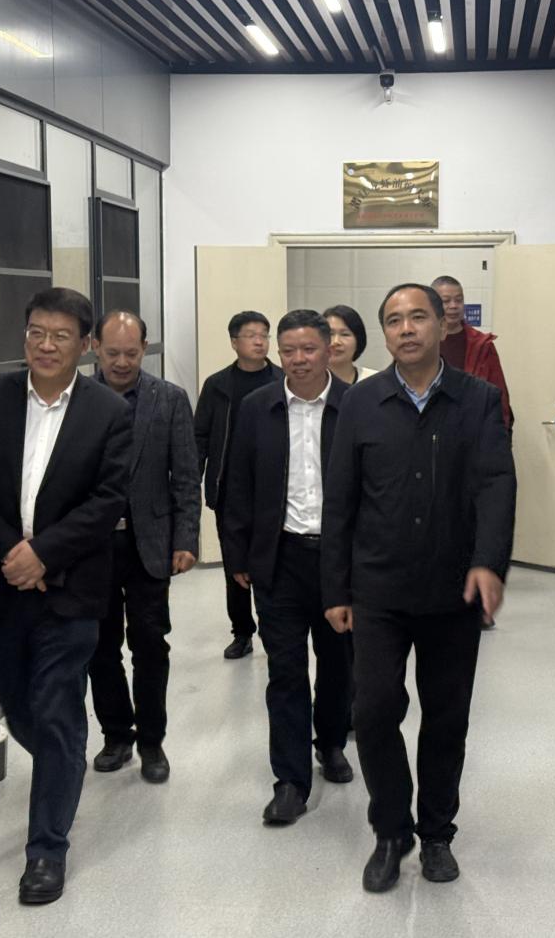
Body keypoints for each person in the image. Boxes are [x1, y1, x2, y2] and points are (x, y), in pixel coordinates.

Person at [322, 283, 516, 893]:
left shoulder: (478, 400)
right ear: (384, 333)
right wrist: (335, 589)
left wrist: (489, 562)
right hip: (378, 588)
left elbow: (496, 483)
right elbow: (340, 500)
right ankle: (390, 831)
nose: (405, 329)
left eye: (417, 317)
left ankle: (435, 834)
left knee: (446, 718)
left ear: (440, 325)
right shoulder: (360, 402)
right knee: (375, 710)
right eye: (393, 320)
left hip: (453, 591)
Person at [0, 287, 131, 906]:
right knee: (18, 705)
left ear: (86, 345)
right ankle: (68, 757)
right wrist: (11, 553)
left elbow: (108, 499)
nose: (46, 346)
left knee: (53, 709)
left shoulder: (108, 411)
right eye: (36, 333)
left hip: (70, 589)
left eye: (60, 336)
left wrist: (45, 553)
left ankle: (46, 850)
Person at [221, 309, 354, 824]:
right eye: (289, 350)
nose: (298, 359)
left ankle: (331, 742)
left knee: (339, 664)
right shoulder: (257, 407)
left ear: (328, 350)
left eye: (309, 349)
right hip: (279, 558)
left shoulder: (354, 405)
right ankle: (290, 780)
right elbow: (236, 483)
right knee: (286, 671)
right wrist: (238, 555)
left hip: (339, 562)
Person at [88, 310, 200, 784]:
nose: (121, 362)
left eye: (131, 353)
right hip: (91, 547)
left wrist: (186, 538)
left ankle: (153, 741)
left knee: (150, 645)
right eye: (112, 353)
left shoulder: (169, 399)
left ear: (145, 349)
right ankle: (117, 735)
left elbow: (186, 475)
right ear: (95, 347)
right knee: (99, 647)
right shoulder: (78, 398)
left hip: (149, 543)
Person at [193, 311, 282, 660]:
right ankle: (242, 631)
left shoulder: (282, 379)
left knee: (273, 565)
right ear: (234, 342)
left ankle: (275, 630)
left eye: (264, 335)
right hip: (230, 489)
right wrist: (194, 482)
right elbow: (200, 436)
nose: (259, 341)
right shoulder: (217, 385)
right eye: (251, 335)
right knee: (235, 565)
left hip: (273, 491)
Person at [432, 276, 514, 433]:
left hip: (474, 432)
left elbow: (499, 397)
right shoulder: (423, 343)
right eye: (446, 301)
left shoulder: (482, 345)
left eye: (459, 300)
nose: (454, 306)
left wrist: (500, 435)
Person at [322, 305, 377, 384]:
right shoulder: (307, 382)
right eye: (330, 334)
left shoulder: (375, 381)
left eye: (345, 334)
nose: (336, 342)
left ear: (358, 340)